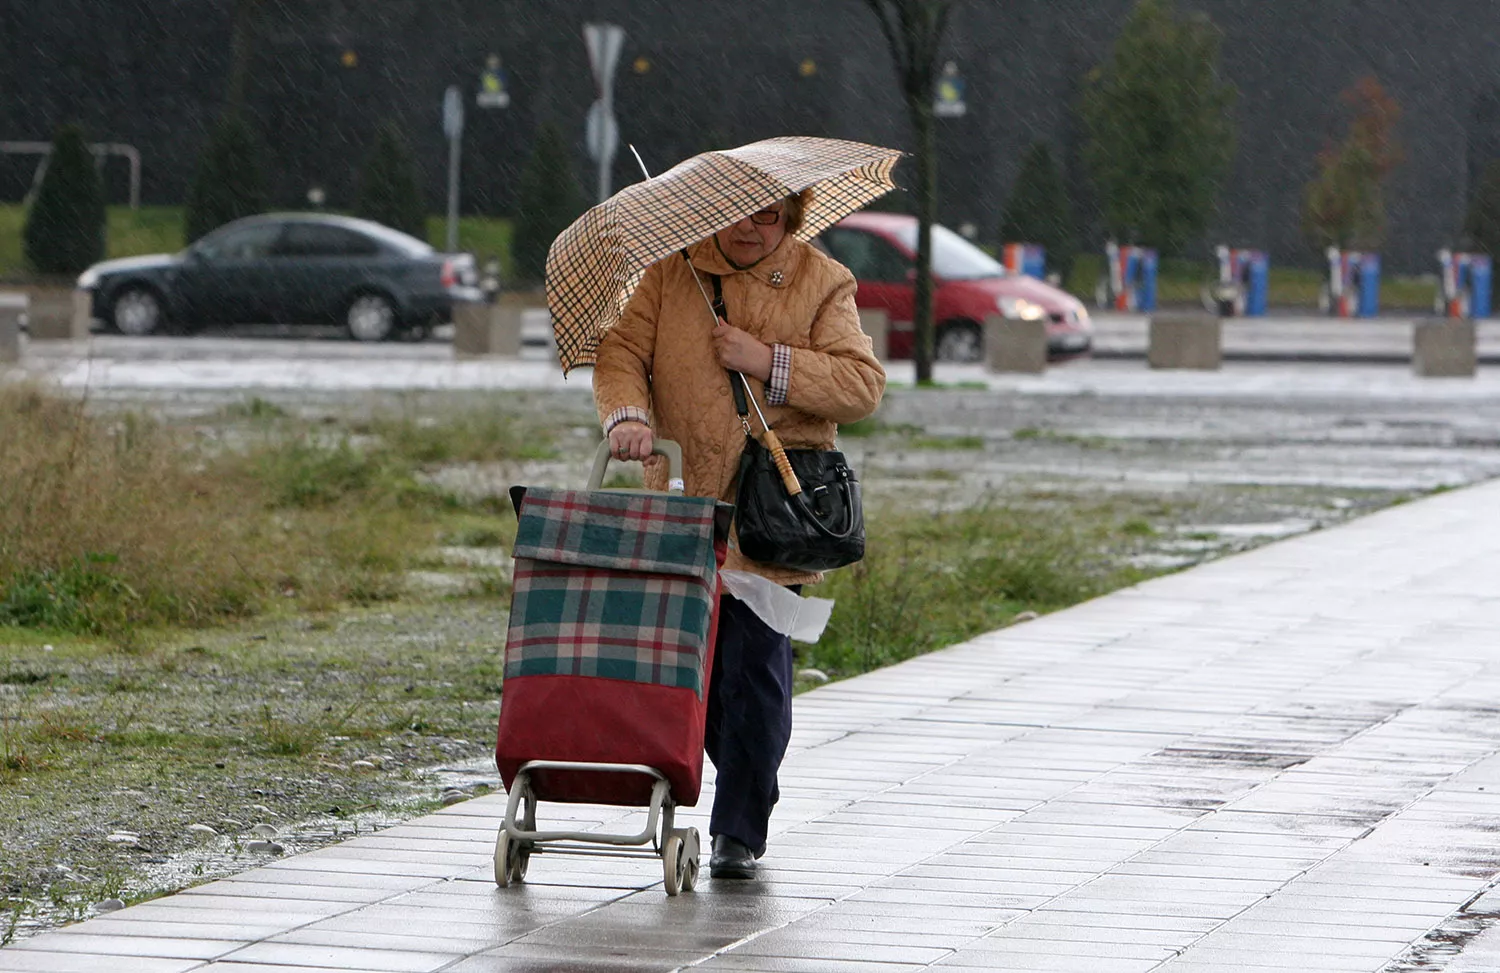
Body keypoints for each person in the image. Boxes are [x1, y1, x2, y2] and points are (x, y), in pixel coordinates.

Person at [592, 190, 885, 879]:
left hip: (768, 513)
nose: (753, 229)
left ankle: (738, 830)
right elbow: (620, 352)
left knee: (752, 674)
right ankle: (746, 781)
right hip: (682, 499)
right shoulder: (669, 272)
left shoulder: (822, 280)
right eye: (738, 213)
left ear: (791, 217)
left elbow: (862, 386)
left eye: (770, 217)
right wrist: (627, 416)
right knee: (693, 670)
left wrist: (768, 359)